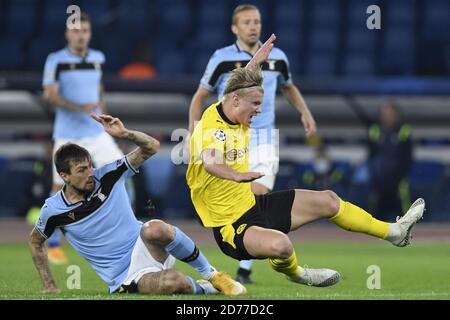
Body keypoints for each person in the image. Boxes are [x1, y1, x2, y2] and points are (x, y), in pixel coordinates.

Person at [186, 34, 425, 288]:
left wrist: (256, 62)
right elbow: (211, 162)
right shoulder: (210, 127)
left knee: (329, 201)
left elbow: (238, 84)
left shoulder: (235, 104)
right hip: (231, 228)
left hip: (253, 205)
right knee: (281, 245)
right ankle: (299, 273)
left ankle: (394, 233)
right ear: (235, 101)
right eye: (256, 104)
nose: (259, 109)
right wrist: (236, 175)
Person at [28, 114, 246, 296]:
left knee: (155, 227)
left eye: (90, 166)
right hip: (124, 277)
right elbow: (35, 242)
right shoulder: (54, 210)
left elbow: (152, 147)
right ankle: (207, 289)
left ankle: (213, 275)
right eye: (81, 170)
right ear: (64, 176)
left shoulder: (109, 175)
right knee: (173, 282)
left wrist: (125, 134)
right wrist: (49, 284)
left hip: (145, 245)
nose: (90, 174)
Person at [188, 4, 316, 284]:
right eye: (246, 22)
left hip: (264, 138)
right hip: (229, 138)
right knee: (245, 198)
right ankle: (254, 252)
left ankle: (247, 266)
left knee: (257, 192)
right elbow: (200, 96)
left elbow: (288, 86)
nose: (253, 26)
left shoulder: (277, 57)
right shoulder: (222, 58)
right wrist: (195, 134)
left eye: (256, 21)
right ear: (235, 28)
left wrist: (304, 111)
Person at [42, 13, 127, 263]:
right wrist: (79, 107)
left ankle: (122, 233)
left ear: (90, 33)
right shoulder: (56, 60)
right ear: (68, 34)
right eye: (76, 30)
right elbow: (49, 94)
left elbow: (98, 88)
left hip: (96, 133)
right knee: (60, 187)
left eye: (85, 30)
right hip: (68, 134)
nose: (81, 35)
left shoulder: (98, 58)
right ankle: (54, 244)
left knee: (123, 173)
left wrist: (102, 110)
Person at [368, 103, 413, 220]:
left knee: (404, 210)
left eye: (391, 114)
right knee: (376, 209)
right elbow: (371, 155)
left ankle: (408, 231)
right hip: (380, 178)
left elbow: (407, 156)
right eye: (386, 114)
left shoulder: (404, 131)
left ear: (397, 115)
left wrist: (400, 174)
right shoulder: (375, 130)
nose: (388, 117)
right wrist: (375, 173)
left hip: (398, 178)